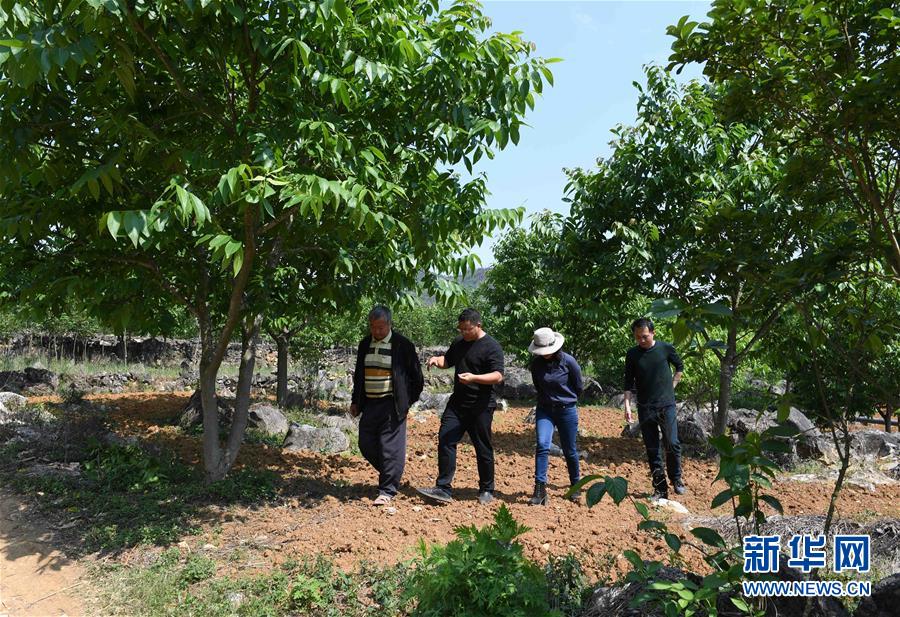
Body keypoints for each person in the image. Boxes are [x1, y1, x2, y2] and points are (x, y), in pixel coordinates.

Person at [416, 308, 505, 505]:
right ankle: (443, 488)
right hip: (458, 404)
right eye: (461, 329)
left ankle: (487, 489)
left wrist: (474, 378)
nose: (463, 333)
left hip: (480, 406)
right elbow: (448, 361)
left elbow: (498, 376)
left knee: (483, 447)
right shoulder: (459, 342)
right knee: (446, 439)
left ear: (478, 325)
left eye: (467, 329)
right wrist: (436, 360)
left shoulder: (492, 347)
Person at [350, 305, 424, 505]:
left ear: (389, 324)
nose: (377, 331)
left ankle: (387, 490)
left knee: (390, 448)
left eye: (381, 327)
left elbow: (417, 378)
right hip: (370, 404)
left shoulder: (402, 345)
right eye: (373, 327)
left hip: (392, 404)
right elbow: (359, 375)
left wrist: (406, 401)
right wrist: (355, 401)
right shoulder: (365, 344)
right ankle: (392, 473)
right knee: (365, 444)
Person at [623, 317, 685, 501]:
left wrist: (672, 386)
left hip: (667, 405)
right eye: (637, 338)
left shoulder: (665, 349)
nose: (641, 341)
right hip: (645, 406)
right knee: (652, 448)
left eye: (644, 337)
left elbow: (679, 366)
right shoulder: (632, 354)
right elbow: (628, 381)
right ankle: (660, 489)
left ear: (653, 333)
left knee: (672, 443)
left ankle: (676, 478)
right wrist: (627, 405)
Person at [527, 327, 584, 506]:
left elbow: (579, 386)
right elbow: (538, 385)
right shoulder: (536, 365)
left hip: (566, 409)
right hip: (545, 409)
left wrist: (565, 399)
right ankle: (539, 489)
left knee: (569, 450)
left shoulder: (569, 362)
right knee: (543, 445)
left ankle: (575, 485)